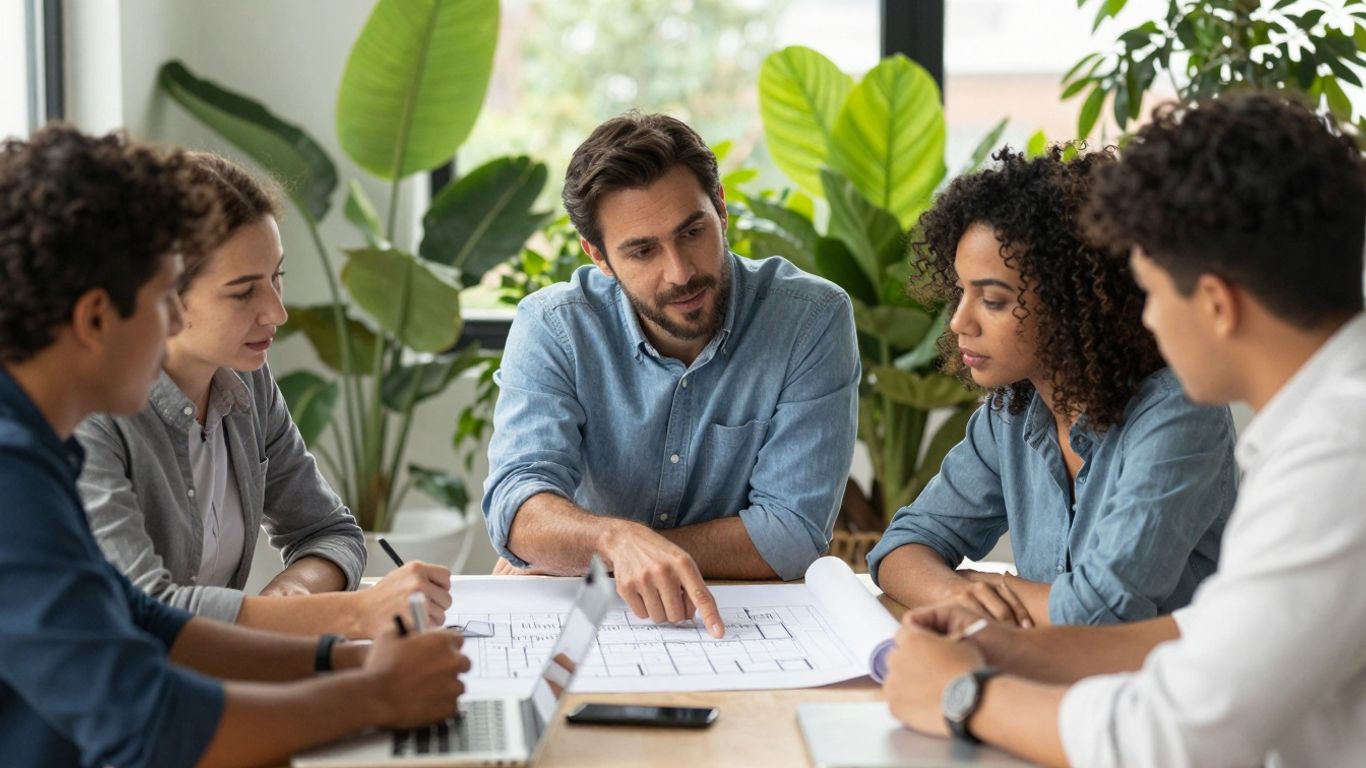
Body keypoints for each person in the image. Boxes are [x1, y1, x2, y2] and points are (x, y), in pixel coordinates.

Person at [884, 92, 1366, 766]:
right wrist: (1008, 644)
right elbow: (1211, 631)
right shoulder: (1329, 423)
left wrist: (966, 696)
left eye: (1152, 292)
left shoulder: (1338, 458)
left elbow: (1177, 735)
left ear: (1217, 305)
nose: (1145, 321)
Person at [0, 124, 468, 768]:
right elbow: (146, 723)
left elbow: (148, 622)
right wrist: (375, 693)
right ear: (95, 319)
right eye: (165, 297)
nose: (171, 325)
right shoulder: (11, 471)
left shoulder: (36, 440)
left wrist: (343, 656)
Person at [482, 112, 859, 636]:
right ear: (600, 258)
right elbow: (517, 506)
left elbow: (791, 535)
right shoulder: (553, 326)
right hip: (591, 618)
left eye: (692, 232)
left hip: (742, 621)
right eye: (642, 250)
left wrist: (594, 551)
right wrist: (614, 544)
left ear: (721, 209)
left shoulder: (810, 318)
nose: (680, 272)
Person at [74, 152, 450, 637]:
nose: (276, 311)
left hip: (211, 680)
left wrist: (287, 601)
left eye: (277, 278)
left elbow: (329, 532)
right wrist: (352, 614)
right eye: (243, 292)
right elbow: (146, 611)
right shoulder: (89, 417)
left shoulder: (246, 382)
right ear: (163, 293)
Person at [867, 147, 1237, 627]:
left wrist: (993, 585)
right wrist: (956, 593)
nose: (959, 321)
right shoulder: (1010, 412)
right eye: (961, 291)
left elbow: (1103, 611)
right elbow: (901, 547)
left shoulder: (1180, 413)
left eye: (993, 301)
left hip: (1165, 692)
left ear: (1071, 305)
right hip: (1052, 674)